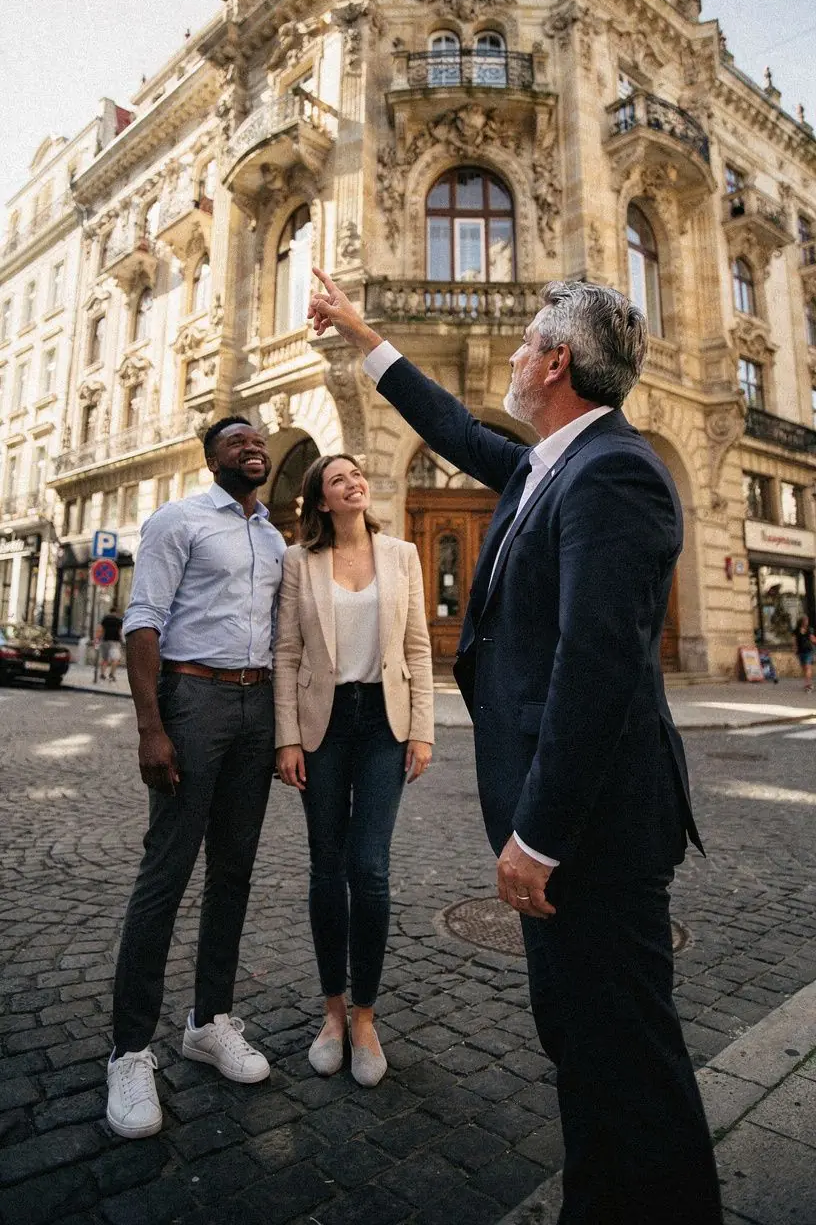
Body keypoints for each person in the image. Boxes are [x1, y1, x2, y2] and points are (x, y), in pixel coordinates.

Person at [308, 269, 723, 1225]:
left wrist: (537, 836)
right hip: (565, 825)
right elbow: (451, 428)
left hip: (594, 833)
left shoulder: (613, 469)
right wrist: (361, 331)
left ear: (556, 362)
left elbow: (599, 664)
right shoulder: (548, 463)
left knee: (631, 1059)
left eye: (522, 343)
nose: (507, 357)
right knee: (580, 1045)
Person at [106, 417, 285, 1139]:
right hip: (193, 699)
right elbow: (142, 621)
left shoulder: (275, 540)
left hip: (256, 706)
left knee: (234, 873)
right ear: (212, 456)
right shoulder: (177, 520)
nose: (253, 445)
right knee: (166, 874)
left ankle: (208, 1021)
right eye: (238, 438)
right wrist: (152, 726)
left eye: (259, 439)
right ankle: (127, 1051)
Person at [274, 453, 434, 1087]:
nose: (355, 481)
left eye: (358, 474)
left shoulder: (401, 555)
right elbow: (286, 652)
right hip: (323, 724)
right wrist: (287, 738)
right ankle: (331, 1014)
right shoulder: (298, 561)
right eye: (339, 478)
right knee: (325, 865)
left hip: (382, 726)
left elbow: (417, 646)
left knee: (368, 867)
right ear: (321, 499)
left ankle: (365, 1016)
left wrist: (422, 729)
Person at [96, 607, 123, 682]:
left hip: (105, 641)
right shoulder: (119, 620)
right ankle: (111, 674)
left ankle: (102, 674)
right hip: (115, 642)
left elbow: (101, 629)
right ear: (116, 612)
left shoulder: (105, 619)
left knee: (105, 659)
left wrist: (97, 638)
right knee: (115, 659)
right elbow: (121, 631)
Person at [792, 614, 816, 691]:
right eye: (805, 620)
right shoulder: (796, 630)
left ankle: (808, 685)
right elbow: (794, 641)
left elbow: (812, 639)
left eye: (807, 620)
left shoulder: (809, 629)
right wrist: (795, 649)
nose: (807, 622)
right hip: (800, 651)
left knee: (807, 667)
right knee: (804, 668)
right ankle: (808, 683)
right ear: (801, 621)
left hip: (809, 650)